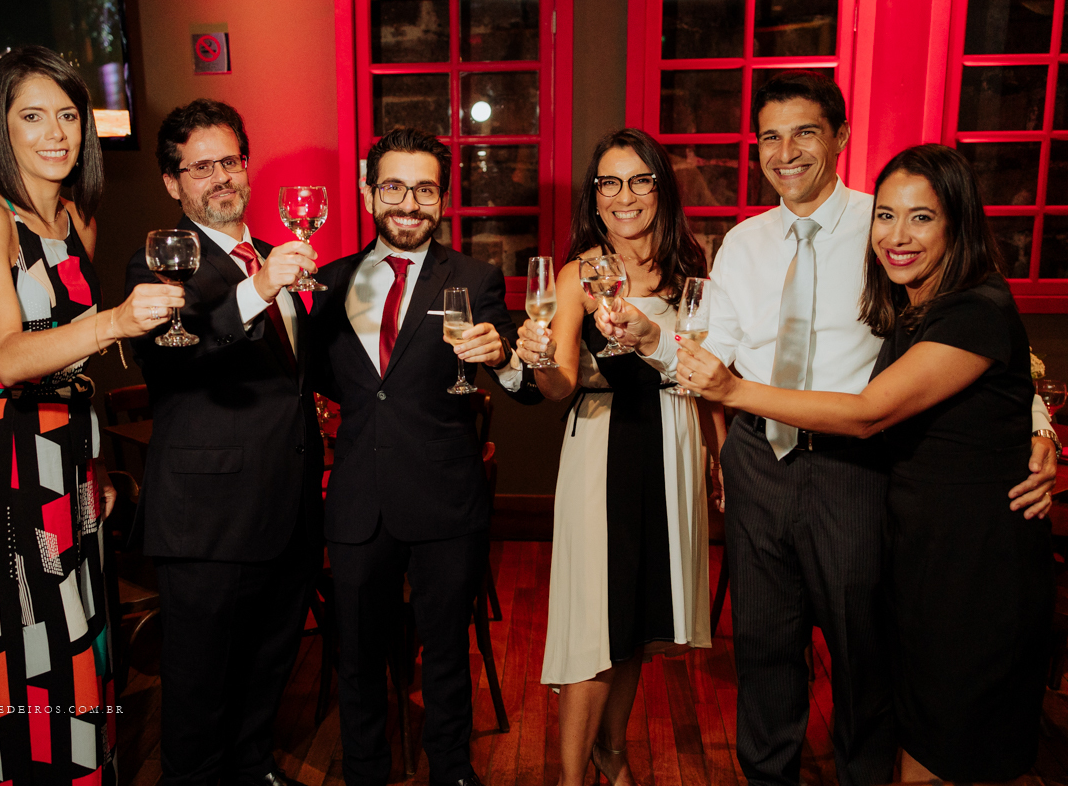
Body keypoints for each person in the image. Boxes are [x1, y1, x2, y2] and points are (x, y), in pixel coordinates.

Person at [598, 71, 1058, 786]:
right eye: (771, 137)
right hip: (757, 461)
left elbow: (978, 342)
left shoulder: (890, 227)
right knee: (764, 645)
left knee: (861, 645)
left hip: (854, 466)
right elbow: (711, 347)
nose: (787, 152)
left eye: (805, 132)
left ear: (840, 137)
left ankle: (865, 774)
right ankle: (769, 774)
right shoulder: (744, 242)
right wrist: (648, 341)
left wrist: (1039, 426)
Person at [0, 45, 181, 784]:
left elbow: (64, 367)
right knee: (11, 636)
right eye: (32, 116)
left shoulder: (75, 216)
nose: (55, 133)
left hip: (64, 447)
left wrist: (94, 468)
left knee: (75, 628)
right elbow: (9, 356)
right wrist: (114, 322)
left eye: (69, 115)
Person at [309, 127, 539, 786]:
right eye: (393, 187)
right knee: (357, 655)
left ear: (444, 197)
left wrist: (504, 356)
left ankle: (451, 768)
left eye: (425, 189)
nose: (409, 203)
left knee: (444, 649)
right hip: (356, 497)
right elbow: (324, 380)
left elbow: (521, 386)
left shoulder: (475, 276)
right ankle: (367, 770)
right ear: (367, 192)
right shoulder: (328, 283)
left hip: (444, 495)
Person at [124, 98, 324, 786]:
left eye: (230, 160)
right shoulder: (158, 264)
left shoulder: (276, 255)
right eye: (200, 166)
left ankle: (252, 764)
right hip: (206, 520)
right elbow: (173, 360)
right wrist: (259, 289)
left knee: (270, 659)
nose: (220, 177)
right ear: (172, 182)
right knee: (199, 686)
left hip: (289, 505)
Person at [512, 129, 720, 786]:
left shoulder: (695, 264)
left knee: (636, 620)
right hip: (603, 449)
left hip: (675, 443)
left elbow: (714, 367)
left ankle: (614, 749)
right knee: (593, 623)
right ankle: (574, 777)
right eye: (608, 182)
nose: (623, 196)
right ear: (594, 196)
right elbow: (559, 387)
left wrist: (716, 455)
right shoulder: (578, 274)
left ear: (662, 187)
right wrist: (540, 357)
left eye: (638, 180)